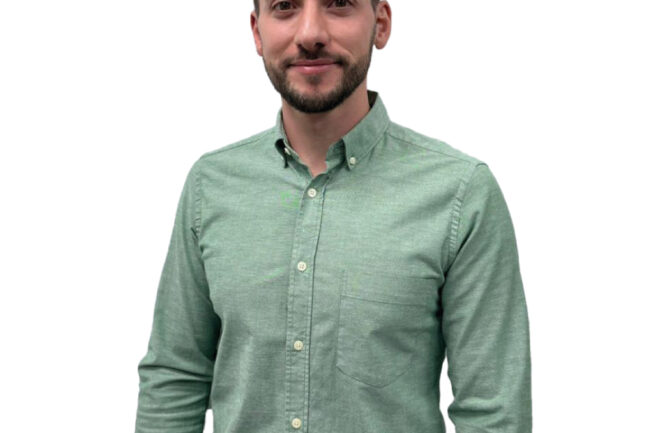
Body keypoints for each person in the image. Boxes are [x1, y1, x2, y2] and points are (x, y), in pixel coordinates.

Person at [134, 1, 533, 432]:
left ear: (380, 24)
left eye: (339, 3)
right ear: (257, 32)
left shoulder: (460, 194)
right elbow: (174, 380)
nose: (310, 34)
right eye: (285, 6)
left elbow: (494, 413)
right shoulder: (210, 186)